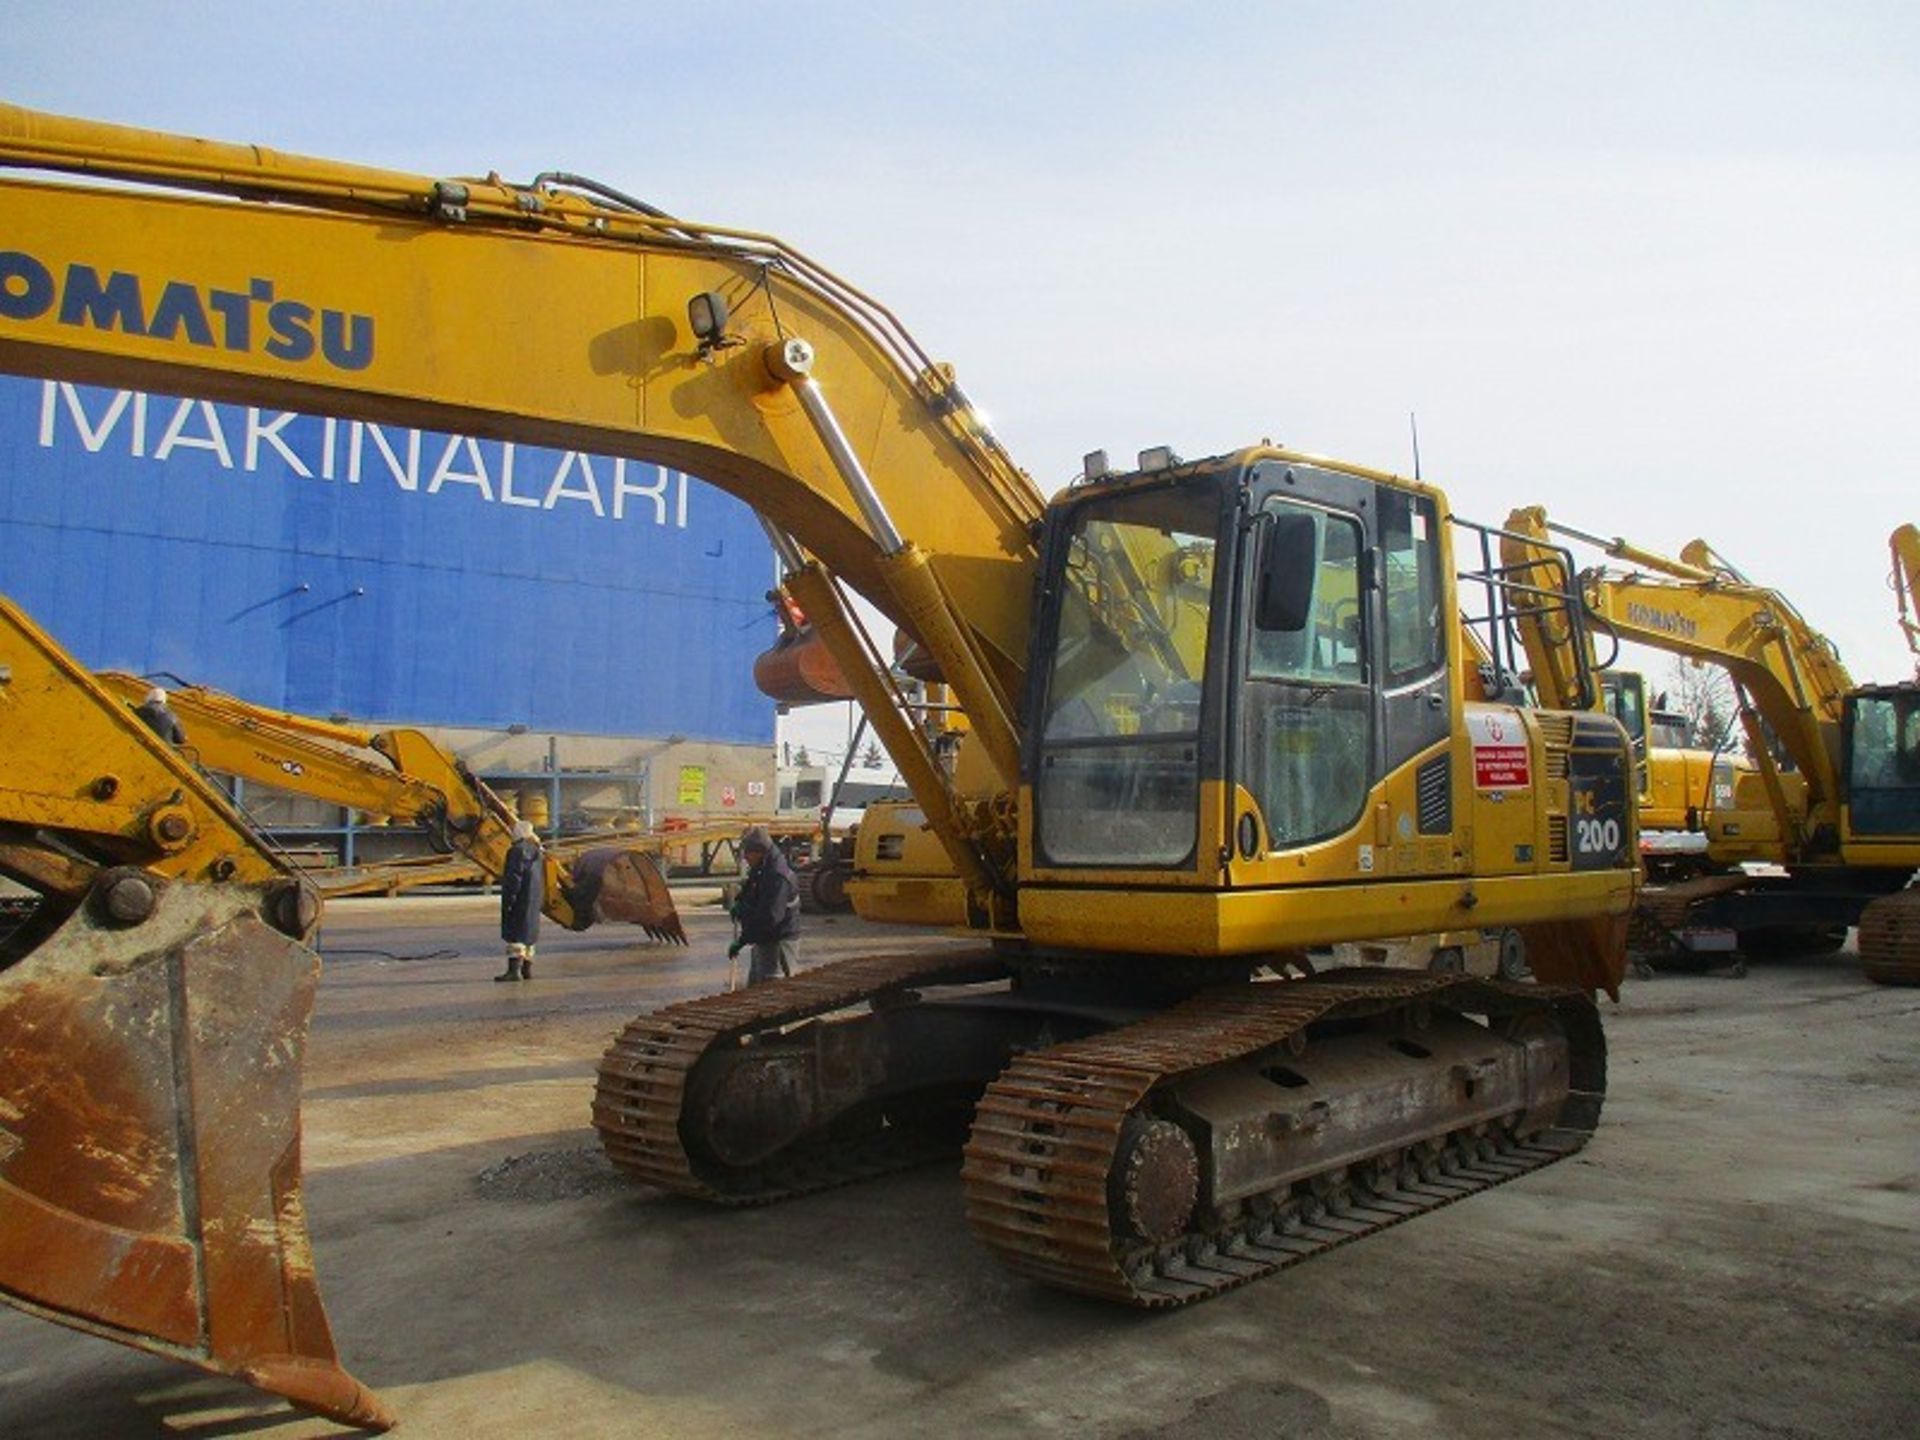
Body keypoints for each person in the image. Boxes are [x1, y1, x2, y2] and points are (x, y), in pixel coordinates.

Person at [728, 824, 798, 986]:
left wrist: (742, 940)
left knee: (773, 987)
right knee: (756, 986)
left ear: (759, 851)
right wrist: (741, 902)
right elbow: (752, 886)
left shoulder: (777, 877)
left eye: (747, 853)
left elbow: (770, 917)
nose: (745, 857)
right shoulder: (762, 867)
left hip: (779, 941)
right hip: (764, 939)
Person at [496, 819, 543, 982]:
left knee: (515, 934)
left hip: (520, 898)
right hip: (534, 898)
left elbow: (513, 877)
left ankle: (513, 971)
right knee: (528, 935)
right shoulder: (537, 851)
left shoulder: (516, 851)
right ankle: (526, 970)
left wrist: (509, 899)